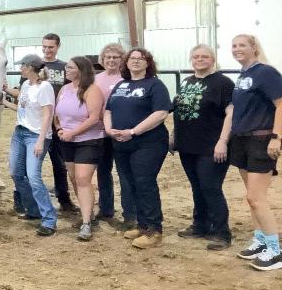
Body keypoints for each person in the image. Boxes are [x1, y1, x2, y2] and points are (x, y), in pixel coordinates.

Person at [104, 47, 171, 249]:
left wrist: (133, 131)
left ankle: (154, 230)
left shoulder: (155, 85)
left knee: (145, 183)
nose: (135, 61)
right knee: (132, 184)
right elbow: (108, 110)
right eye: (132, 58)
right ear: (126, 63)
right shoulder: (121, 85)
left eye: (141, 59)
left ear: (148, 63)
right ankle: (142, 226)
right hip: (121, 143)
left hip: (148, 143)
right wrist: (109, 130)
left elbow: (160, 113)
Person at [227, 35, 282, 271]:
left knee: (256, 198)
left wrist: (276, 137)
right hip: (242, 140)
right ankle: (260, 240)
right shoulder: (243, 76)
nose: (237, 49)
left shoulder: (266, 72)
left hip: (261, 139)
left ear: (254, 48)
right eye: (234, 45)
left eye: (242, 45)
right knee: (251, 197)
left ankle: (276, 250)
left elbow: (281, 104)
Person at [172, 44, 233, 251]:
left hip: (212, 146)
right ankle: (200, 225)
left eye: (204, 56)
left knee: (211, 187)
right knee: (197, 187)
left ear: (212, 59)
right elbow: (181, 110)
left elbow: (230, 114)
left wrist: (223, 141)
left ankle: (221, 233)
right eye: (196, 56)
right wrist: (174, 136)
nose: (199, 59)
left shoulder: (223, 83)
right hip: (188, 145)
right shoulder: (188, 82)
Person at [5, 54, 57, 236]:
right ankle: (33, 209)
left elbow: (47, 115)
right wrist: (3, 101)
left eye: (22, 66)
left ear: (30, 67)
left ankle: (49, 218)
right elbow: (22, 108)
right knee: (16, 173)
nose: (20, 69)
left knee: (34, 177)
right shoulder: (26, 85)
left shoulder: (45, 88)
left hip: (36, 135)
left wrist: (41, 140)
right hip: (20, 132)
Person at [54, 57, 105, 241]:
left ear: (81, 70)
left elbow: (94, 118)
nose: (66, 70)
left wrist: (73, 132)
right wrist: (60, 129)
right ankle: (88, 212)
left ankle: (86, 223)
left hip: (88, 140)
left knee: (83, 178)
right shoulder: (65, 89)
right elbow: (56, 114)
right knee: (74, 178)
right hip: (67, 140)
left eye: (70, 67)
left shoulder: (92, 90)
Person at [94, 43, 136, 229]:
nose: (111, 60)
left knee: (125, 173)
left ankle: (130, 213)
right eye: (108, 57)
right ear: (102, 60)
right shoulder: (96, 79)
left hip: (120, 132)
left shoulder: (127, 79)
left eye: (115, 57)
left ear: (122, 60)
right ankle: (106, 208)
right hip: (99, 132)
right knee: (103, 172)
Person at [38, 33, 75, 213]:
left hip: (59, 122)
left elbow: (73, 91)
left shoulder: (65, 67)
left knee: (60, 163)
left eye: (51, 47)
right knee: (34, 163)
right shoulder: (35, 66)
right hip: (38, 123)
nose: (47, 50)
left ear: (58, 47)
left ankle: (64, 198)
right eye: (44, 47)